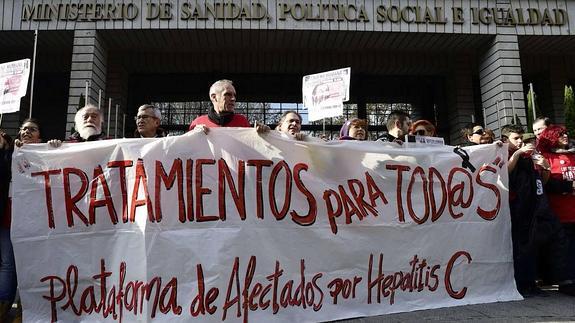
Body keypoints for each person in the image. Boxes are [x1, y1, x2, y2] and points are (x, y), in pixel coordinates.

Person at [501, 124, 574, 297]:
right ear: (505, 140)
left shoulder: (531, 156)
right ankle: (523, 285)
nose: (521, 142)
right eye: (516, 138)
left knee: (535, 246)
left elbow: (543, 180)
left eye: (522, 138)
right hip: (517, 208)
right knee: (521, 247)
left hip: (536, 206)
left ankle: (533, 283)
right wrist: (518, 154)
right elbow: (503, 173)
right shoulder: (506, 154)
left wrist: (546, 167)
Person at [189, 80, 268, 133]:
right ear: (214, 97)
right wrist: (194, 136)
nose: (233, 99)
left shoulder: (242, 122)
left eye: (234, 95)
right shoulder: (197, 123)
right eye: (228, 94)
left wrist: (264, 136)